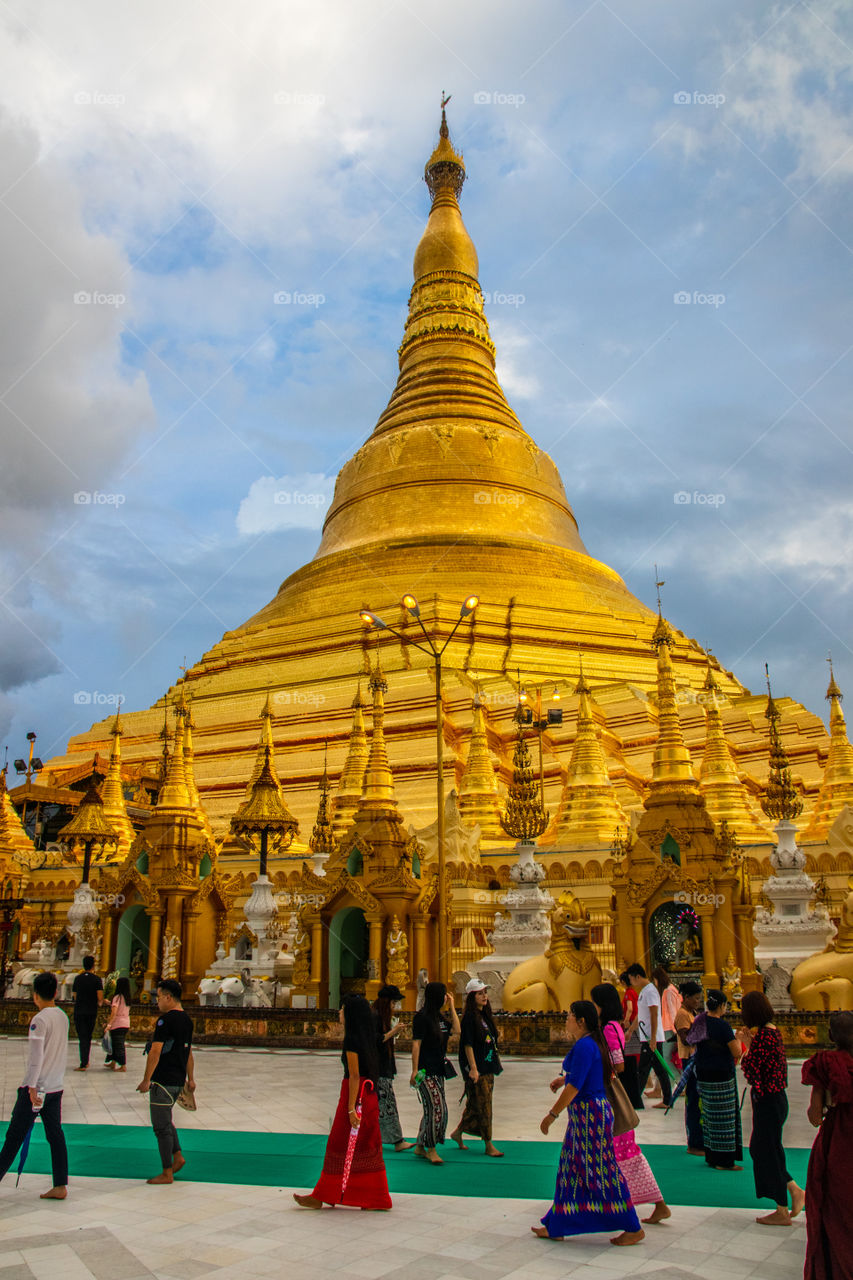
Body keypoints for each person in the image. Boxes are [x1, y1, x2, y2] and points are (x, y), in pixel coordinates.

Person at [533, 1000, 643, 1247]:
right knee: (570, 1167)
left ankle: (633, 1226)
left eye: (570, 1016)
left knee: (601, 1169)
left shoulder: (585, 1045)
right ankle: (557, 1225)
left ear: (581, 1021)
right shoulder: (590, 1043)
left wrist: (552, 1115)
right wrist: (563, 1082)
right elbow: (583, 1075)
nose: (566, 1019)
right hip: (585, 1115)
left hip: (590, 1115)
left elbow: (575, 1087)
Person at [294, 993, 391, 1210]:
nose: (339, 1013)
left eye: (342, 1009)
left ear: (350, 1014)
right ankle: (375, 1196)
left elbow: (354, 1075)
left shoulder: (352, 1040)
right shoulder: (367, 1037)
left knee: (337, 1145)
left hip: (354, 1095)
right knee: (367, 1147)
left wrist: (350, 1109)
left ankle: (324, 1194)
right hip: (369, 1094)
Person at [591, 982, 671, 1226]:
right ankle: (649, 1203)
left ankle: (629, 1206)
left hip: (613, 1097)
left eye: (594, 1002)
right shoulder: (615, 1026)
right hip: (616, 1095)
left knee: (623, 1152)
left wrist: (596, 1069)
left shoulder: (608, 1029)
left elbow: (619, 1064)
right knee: (624, 1152)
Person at [0, 971, 69, 1200]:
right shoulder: (62, 1016)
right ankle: (60, 1184)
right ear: (56, 992)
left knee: (14, 1136)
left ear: (35, 995)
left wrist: (30, 1087)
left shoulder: (39, 1020)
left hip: (37, 1088)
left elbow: (36, 1057)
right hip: (55, 1086)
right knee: (55, 1135)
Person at [739, 990, 803, 1226]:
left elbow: (753, 1072)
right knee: (764, 1148)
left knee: (766, 1150)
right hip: (772, 1100)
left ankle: (782, 1208)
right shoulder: (769, 1033)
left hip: (769, 1100)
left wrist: (746, 1047)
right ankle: (793, 1190)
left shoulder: (765, 1036)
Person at [802, 1010, 853, 1278]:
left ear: (831, 1035)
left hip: (839, 1139)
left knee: (834, 1204)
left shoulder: (825, 1063)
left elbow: (814, 1116)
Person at [136, 979, 195, 1185]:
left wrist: (146, 1079)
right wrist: (191, 1078)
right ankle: (177, 1156)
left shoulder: (165, 1021)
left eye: (159, 997)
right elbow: (188, 1052)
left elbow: (156, 1050)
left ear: (169, 997)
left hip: (163, 1080)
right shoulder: (187, 1020)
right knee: (166, 1120)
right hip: (177, 1079)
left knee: (160, 1127)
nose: (157, 1001)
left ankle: (166, 1171)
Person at [450, 979, 503, 1158]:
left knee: (475, 1104)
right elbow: (468, 1044)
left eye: (485, 992)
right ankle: (488, 1143)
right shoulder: (470, 1019)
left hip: (488, 1066)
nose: (484, 996)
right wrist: (473, 1068)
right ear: (472, 997)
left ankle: (458, 1132)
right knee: (484, 1105)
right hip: (477, 1068)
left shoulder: (484, 1016)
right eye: (480, 993)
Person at [690, 988, 742, 1170]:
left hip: (704, 1074)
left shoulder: (700, 1021)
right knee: (725, 1120)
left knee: (710, 1117)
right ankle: (725, 1161)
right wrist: (740, 1040)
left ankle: (712, 1157)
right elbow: (736, 1052)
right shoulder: (723, 1026)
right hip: (721, 1075)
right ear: (721, 1005)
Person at [410, 981, 460, 1165]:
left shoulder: (440, 1018)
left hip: (439, 1070)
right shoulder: (422, 1018)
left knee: (431, 1108)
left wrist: (452, 1006)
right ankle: (431, 1148)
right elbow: (416, 1044)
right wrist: (414, 1070)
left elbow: (457, 1030)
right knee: (438, 1108)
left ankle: (420, 1145)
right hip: (425, 1070)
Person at [372, 984, 413, 1153]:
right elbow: (376, 1040)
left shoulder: (381, 1017)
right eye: (393, 1003)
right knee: (388, 1104)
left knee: (383, 1105)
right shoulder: (374, 1017)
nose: (394, 1007)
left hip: (384, 1067)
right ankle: (397, 1140)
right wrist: (393, 1031)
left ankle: (382, 1139)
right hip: (378, 1068)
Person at [626, 963, 672, 1108]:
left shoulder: (650, 991)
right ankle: (667, 1099)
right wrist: (630, 1030)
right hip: (647, 1036)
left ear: (637, 976)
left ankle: (635, 1100)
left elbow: (654, 1014)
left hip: (652, 1038)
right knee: (657, 1069)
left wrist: (653, 1038)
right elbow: (641, 1014)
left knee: (643, 1069)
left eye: (631, 979)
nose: (631, 983)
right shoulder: (644, 991)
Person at [674, 981, 704, 1154]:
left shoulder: (692, 1013)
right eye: (695, 998)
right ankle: (694, 1143)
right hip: (689, 1059)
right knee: (693, 1101)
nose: (697, 1001)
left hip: (696, 1059)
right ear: (685, 997)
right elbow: (686, 1038)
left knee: (697, 1100)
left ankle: (699, 1140)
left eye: (699, 998)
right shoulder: (682, 1014)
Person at [71, 954, 103, 1071]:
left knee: (82, 1037)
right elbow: (100, 997)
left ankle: (83, 1062)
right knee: (88, 1037)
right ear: (93, 965)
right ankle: (85, 1061)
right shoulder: (96, 979)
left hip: (79, 1011)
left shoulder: (78, 978)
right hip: (91, 1011)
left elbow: (74, 995)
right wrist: (98, 1002)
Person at [619, 969, 642, 1108]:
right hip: (636, 1024)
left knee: (631, 1052)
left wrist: (626, 1021)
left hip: (631, 1025)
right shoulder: (634, 992)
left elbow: (630, 1008)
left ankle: (637, 1077)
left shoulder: (628, 994)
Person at [652, 966, 681, 1073]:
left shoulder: (668, 991)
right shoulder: (672, 989)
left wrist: (675, 1029)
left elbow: (673, 1011)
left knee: (666, 1057)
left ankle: (678, 1082)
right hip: (670, 1027)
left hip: (669, 1028)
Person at [103, 976, 131, 1072]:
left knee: (118, 1045)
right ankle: (113, 1062)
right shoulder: (127, 997)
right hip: (125, 1023)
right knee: (115, 1043)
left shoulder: (117, 997)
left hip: (117, 1024)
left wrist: (109, 1024)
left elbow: (114, 1012)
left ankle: (123, 1065)